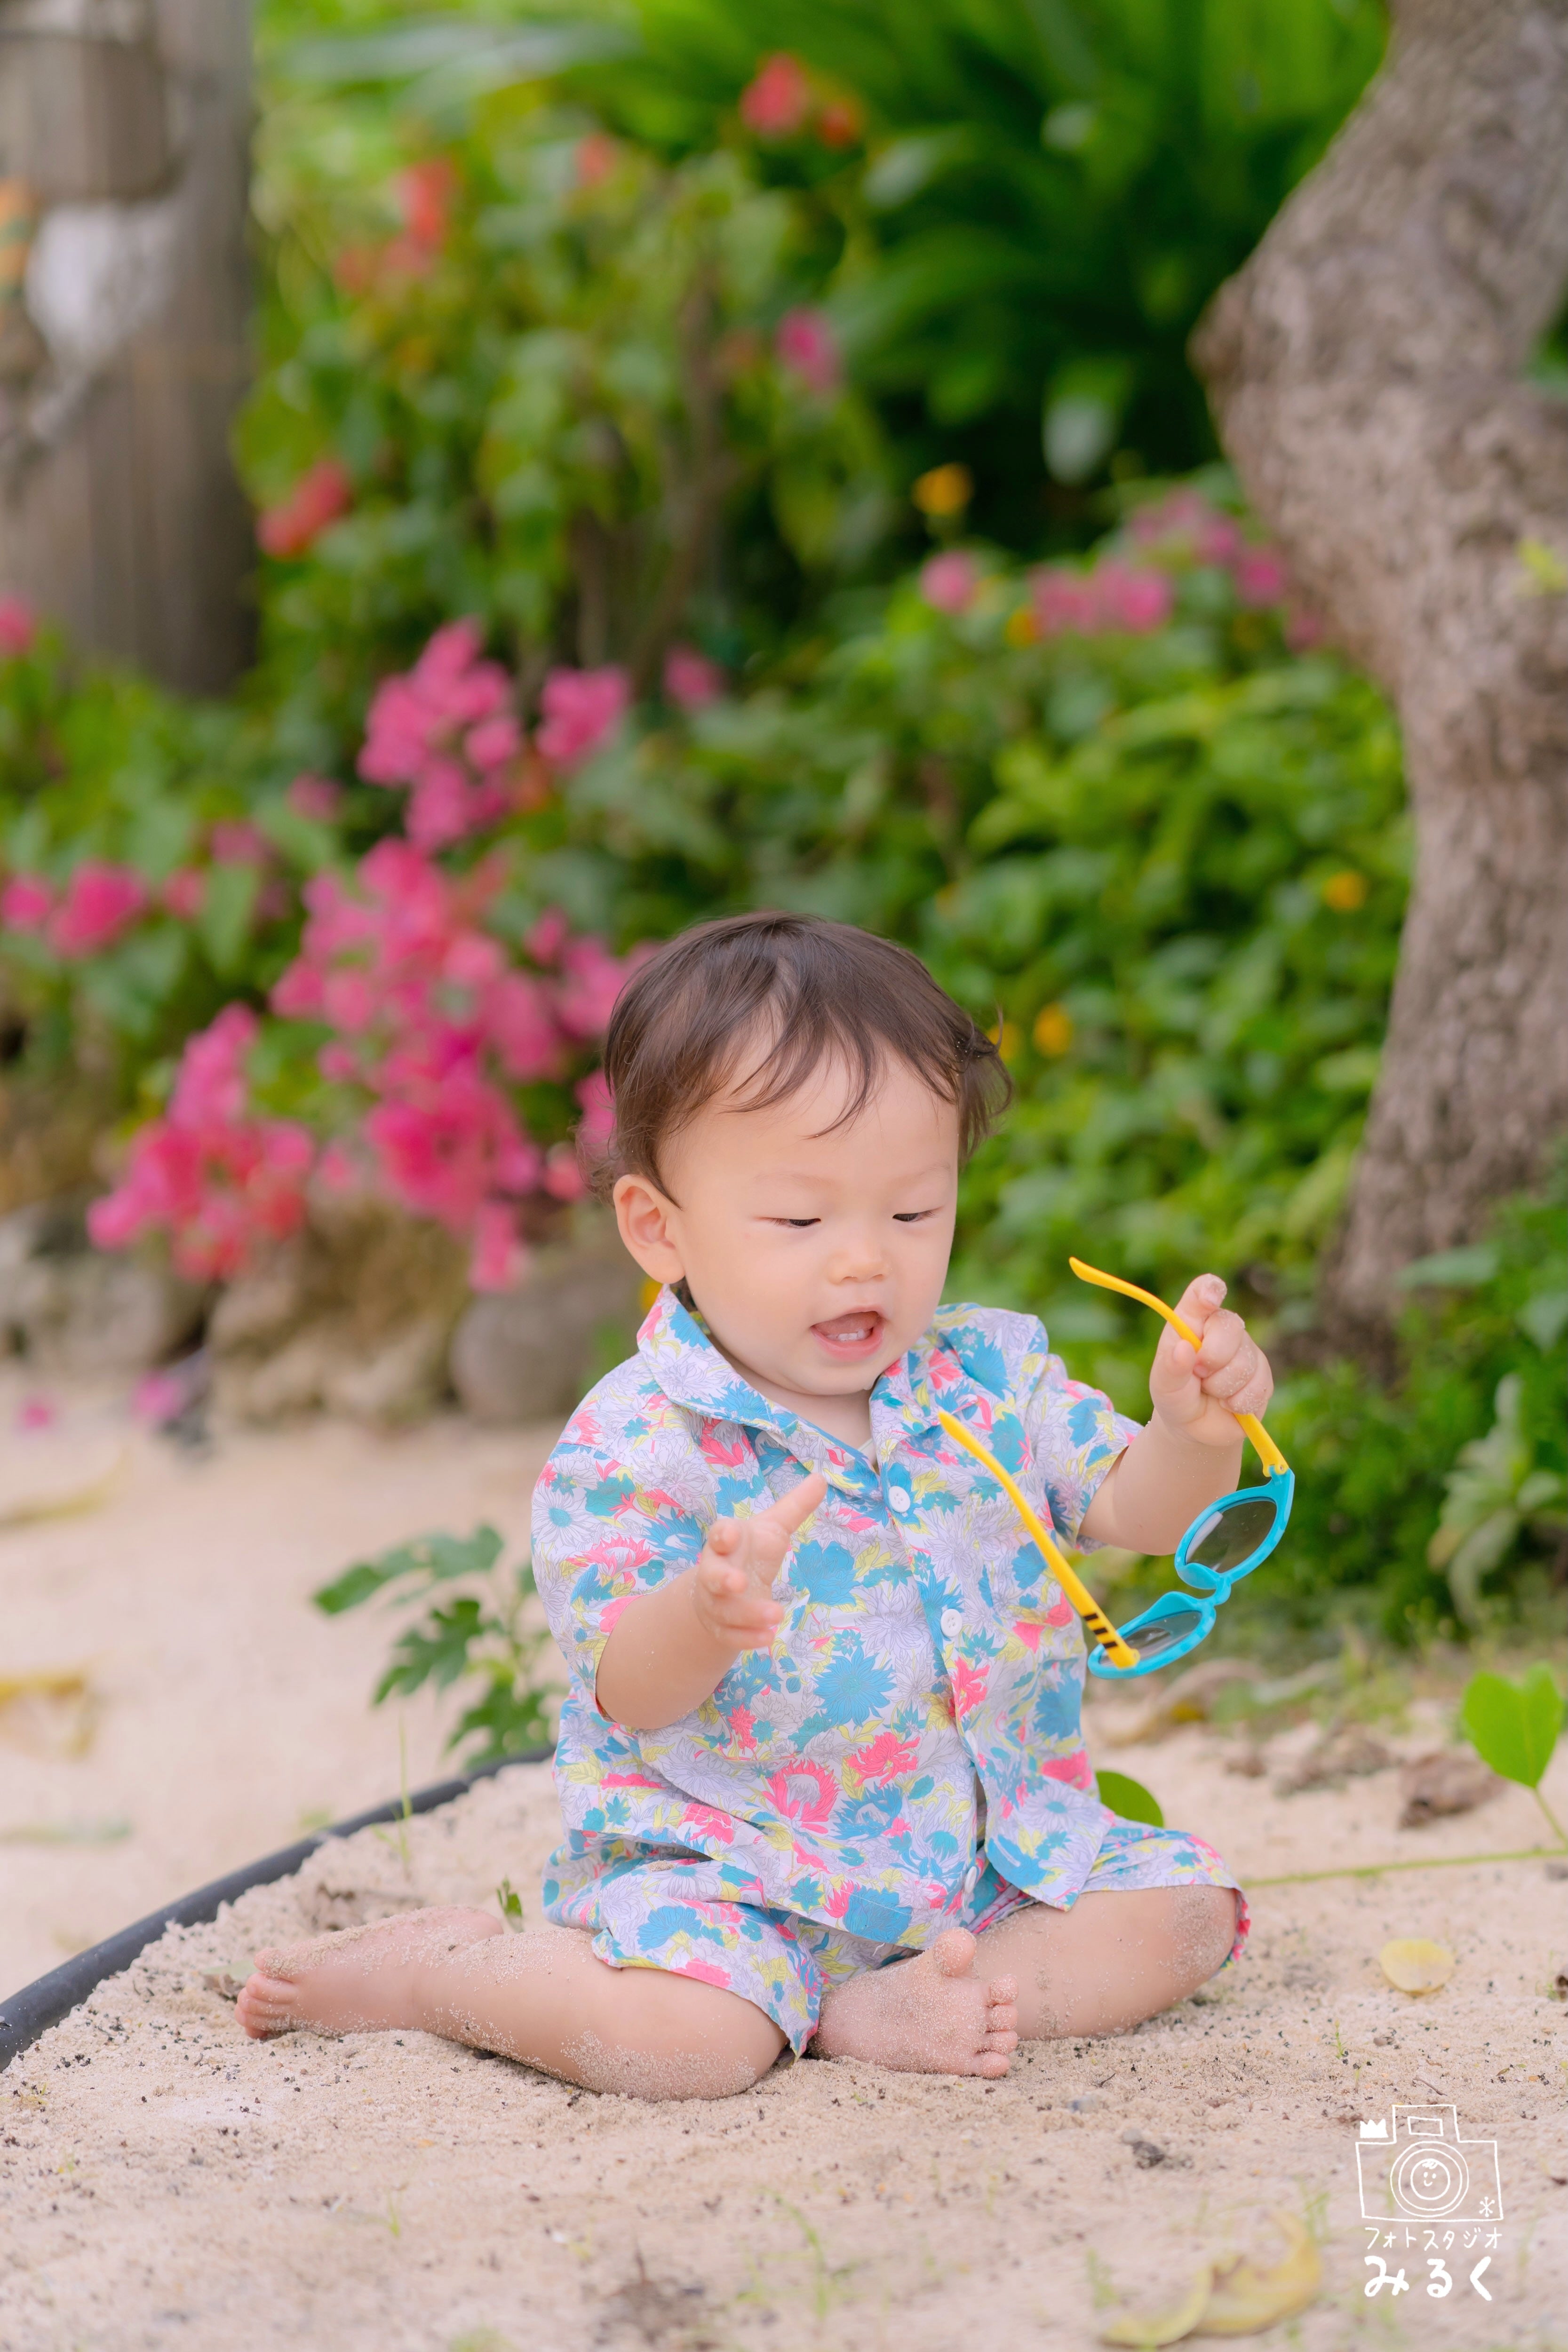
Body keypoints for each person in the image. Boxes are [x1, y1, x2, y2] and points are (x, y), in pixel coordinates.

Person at [238, 913, 1271, 2098]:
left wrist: (1194, 1434)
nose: (863, 1261)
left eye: (911, 1212)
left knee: (1185, 1914)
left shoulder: (986, 1378)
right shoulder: (636, 1444)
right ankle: (449, 1971)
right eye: (798, 1220)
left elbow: (1137, 1510)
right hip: (736, 1876)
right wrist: (704, 1613)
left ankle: (858, 2008)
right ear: (658, 1226)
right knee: (687, 2049)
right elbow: (626, 1686)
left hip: (990, 1863)